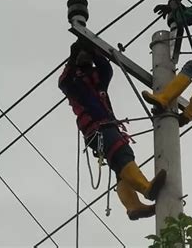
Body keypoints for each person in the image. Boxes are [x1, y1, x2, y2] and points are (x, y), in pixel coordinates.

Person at [58, 40, 166, 220]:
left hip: (105, 126)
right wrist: (73, 57)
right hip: (96, 128)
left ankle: (133, 206)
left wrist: (93, 51)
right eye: (81, 55)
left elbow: (106, 70)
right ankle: (146, 188)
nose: (84, 57)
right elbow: (63, 82)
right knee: (122, 154)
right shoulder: (74, 82)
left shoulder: (96, 78)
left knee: (120, 167)